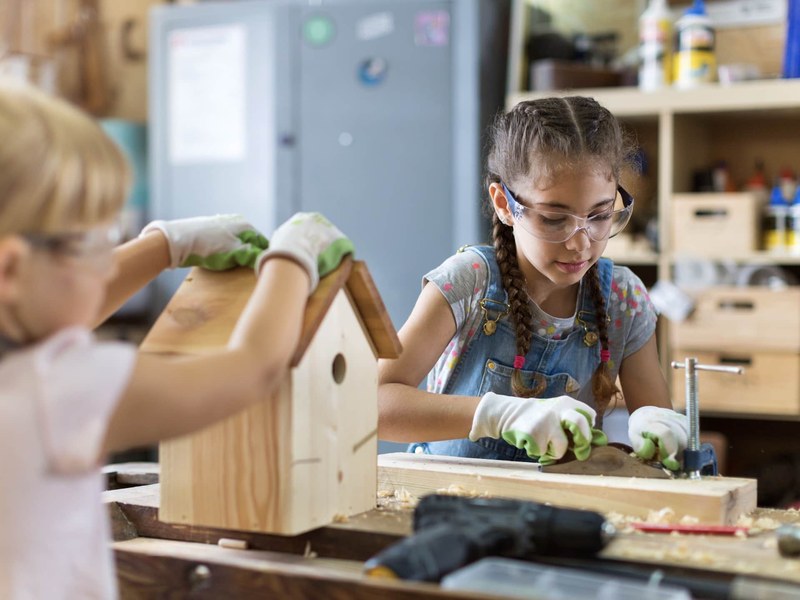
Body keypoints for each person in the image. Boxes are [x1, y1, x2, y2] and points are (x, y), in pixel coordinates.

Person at [0, 81, 353, 599]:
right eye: (92, 245)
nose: (105, 263)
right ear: (11, 266)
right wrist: (291, 260)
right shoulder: (58, 391)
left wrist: (164, 245)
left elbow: (57, 311)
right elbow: (250, 369)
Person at [378, 96, 688, 470]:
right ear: (505, 204)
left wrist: (658, 426)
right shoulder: (469, 281)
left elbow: (657, 432)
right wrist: (499, 414)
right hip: (451, 503)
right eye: (554, 219)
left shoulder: (623, 300)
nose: (581, 242)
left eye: (600, 215)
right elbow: (374, 403)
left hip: (559, 510)